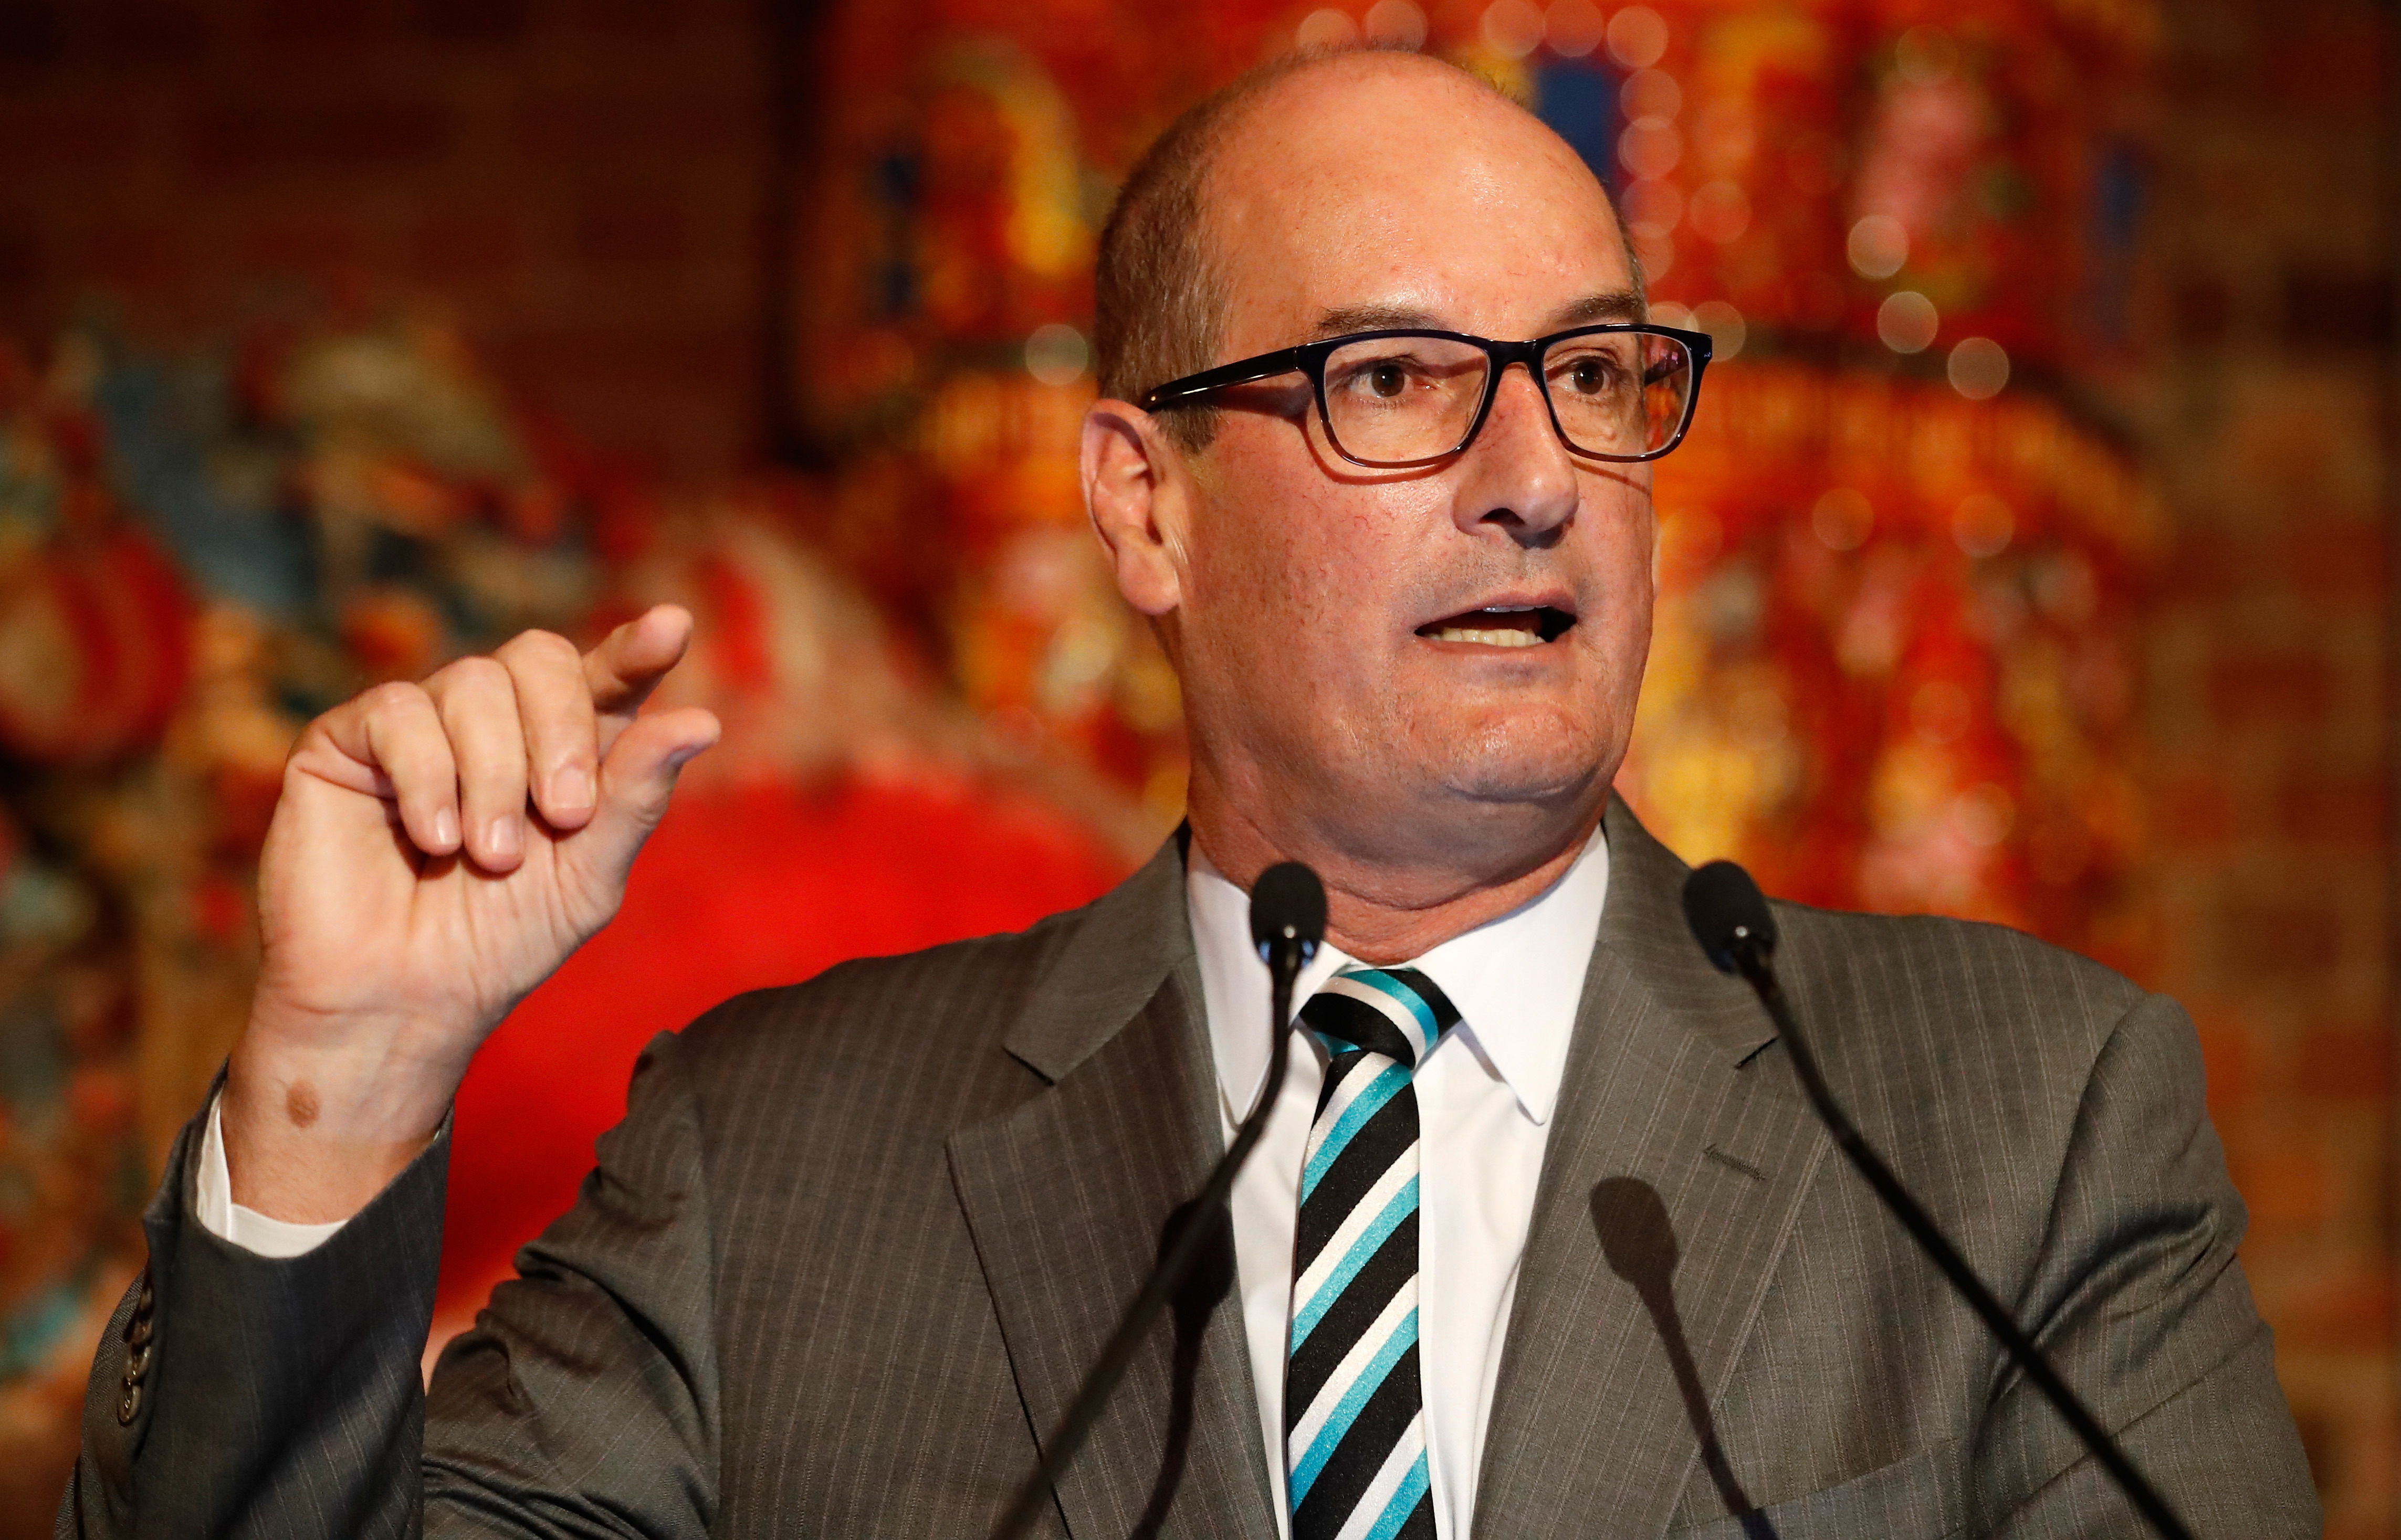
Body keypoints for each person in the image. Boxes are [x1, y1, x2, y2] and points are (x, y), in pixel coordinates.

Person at [61, 46, 2315, 1540]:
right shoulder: (775, 1161)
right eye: (1397, 382)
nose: (1536, 480)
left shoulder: (2019, 1122)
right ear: (1144, 507)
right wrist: (342, 1088)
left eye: (1599, 377)